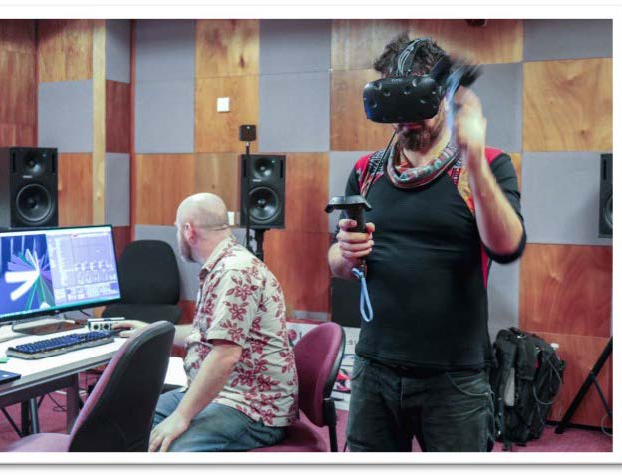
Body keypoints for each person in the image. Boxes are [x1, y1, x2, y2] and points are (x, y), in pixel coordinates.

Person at [328, 33, 526, 452]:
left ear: (444, 94)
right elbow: (338, 262)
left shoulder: (488, 164)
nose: (406, 118)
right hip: (374, 368)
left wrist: (471, 155)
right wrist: (345, 255)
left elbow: (506, 246)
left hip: (453, 377)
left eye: (415, 100)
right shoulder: (368, 170)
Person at [115, 193, 298, 452]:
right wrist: (151, 331)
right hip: (226, 393)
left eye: (177, 228)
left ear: (188, 231)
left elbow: (225, 354)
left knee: (172, 448)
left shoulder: (234, 271)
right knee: (124, 423)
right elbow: (208, 333)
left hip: (252, 406)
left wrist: (181, 417)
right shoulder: (222, 264)